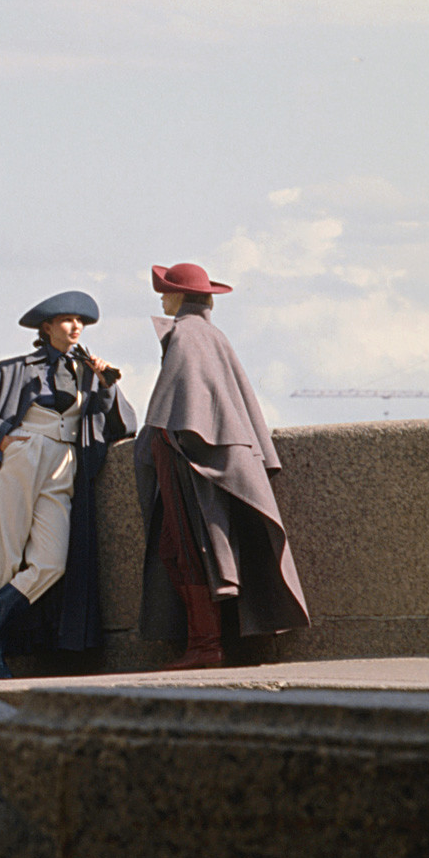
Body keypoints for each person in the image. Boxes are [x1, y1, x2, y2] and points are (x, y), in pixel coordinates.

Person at [0, 291, 137, 679]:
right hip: (24, 454)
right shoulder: (12, 369)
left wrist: (107, 384)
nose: (76, 326)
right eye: (66, 320)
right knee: (6, 554)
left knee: (50, 563)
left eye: (81, 321)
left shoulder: (89, 372)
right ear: (47, 328)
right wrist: (3, 437)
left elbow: (122, 427)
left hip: (64, 462)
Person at [134, 263, 306, 667]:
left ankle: (205, 646)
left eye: (167, 291)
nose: (162, 298)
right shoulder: (213, 335)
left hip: (192, 463)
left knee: (187, 550)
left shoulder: (184, 335)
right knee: (203, 549)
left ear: (182, 297)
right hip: (217, 459)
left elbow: (175, 412)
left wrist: (162, 439)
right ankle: (206, 643)